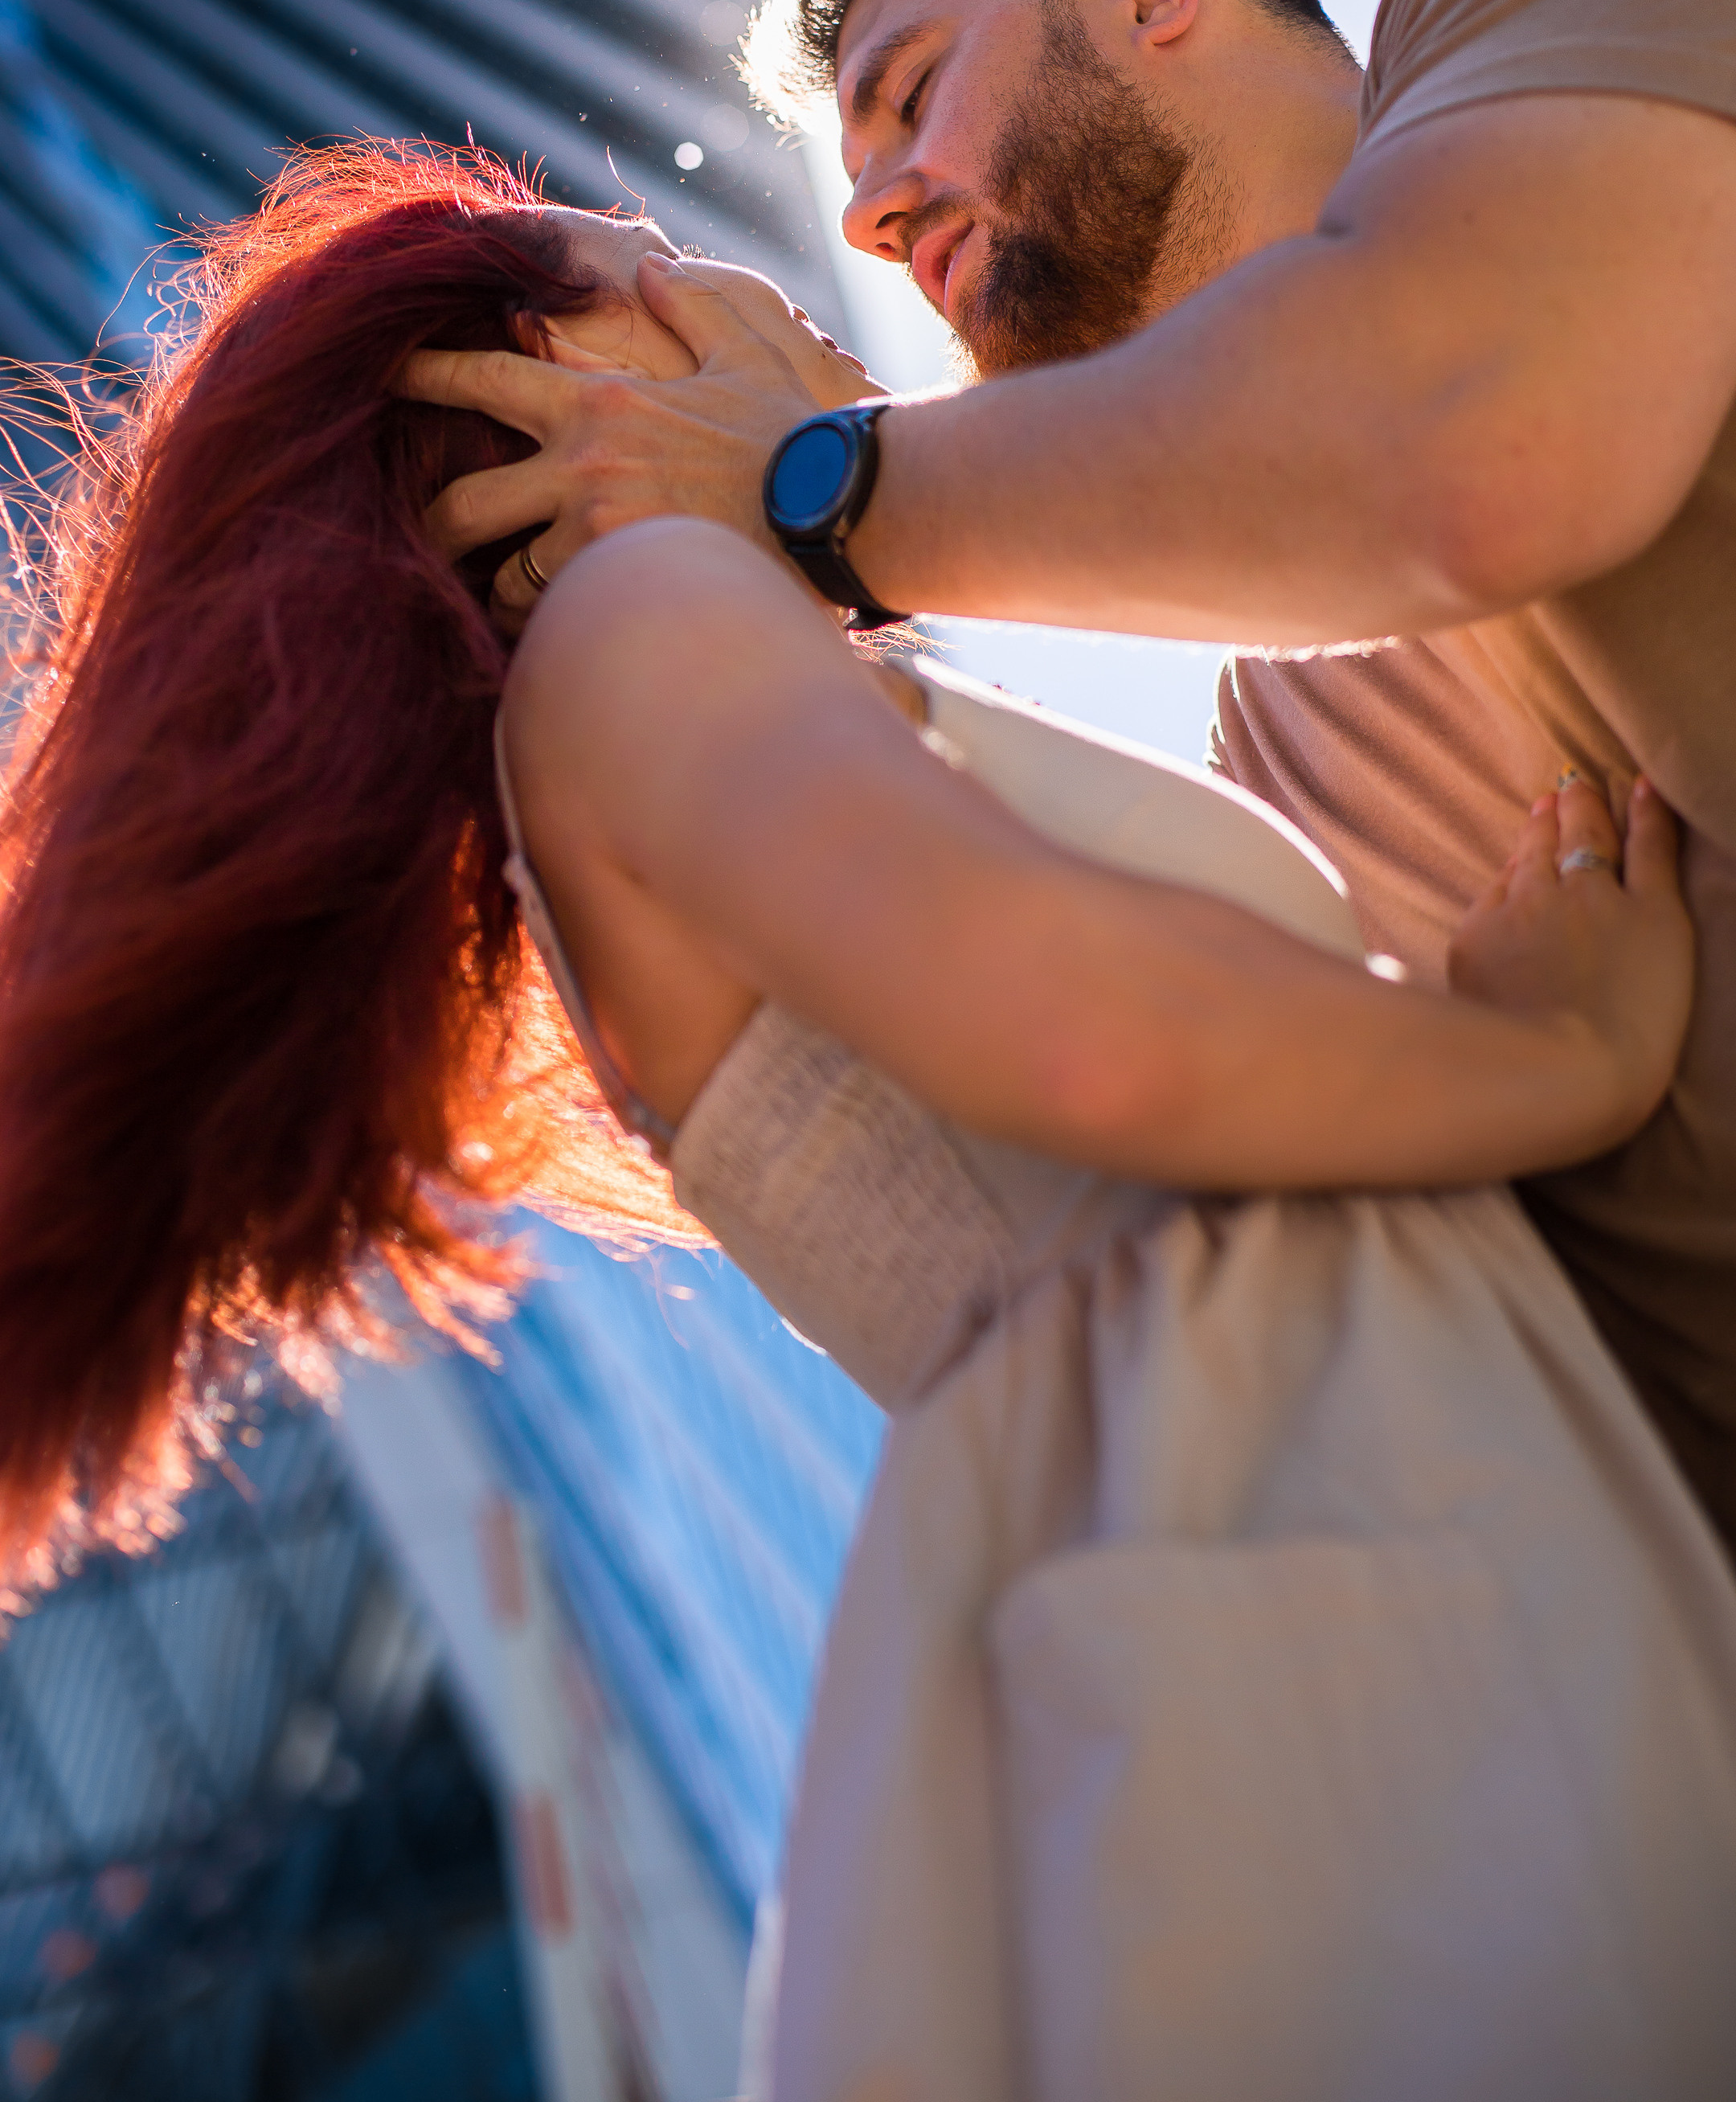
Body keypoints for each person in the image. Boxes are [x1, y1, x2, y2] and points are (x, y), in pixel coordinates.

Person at [2, 142, 1731, 2093]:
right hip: (1318, 1580)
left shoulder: (657, 714)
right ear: (556, 395)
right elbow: (1084, 1030)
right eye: (653, 263)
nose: (763, 283)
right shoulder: (641, 623)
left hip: (1295, 1544)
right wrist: (1556, 1060)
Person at [404, 0, 1736, 1563]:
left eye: (908, 89)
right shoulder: (1280, 763)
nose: (871, 219)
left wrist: (823, 488)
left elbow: (1465, 436)